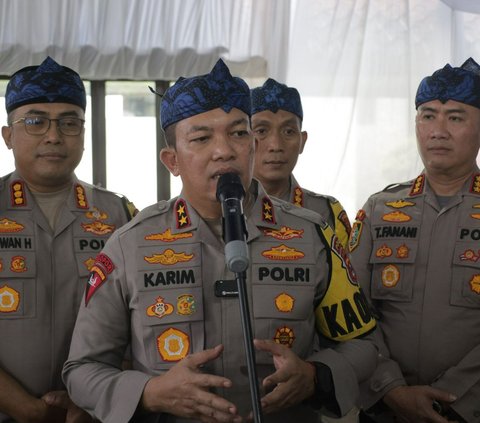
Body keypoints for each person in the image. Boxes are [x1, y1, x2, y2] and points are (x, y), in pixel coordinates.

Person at [63, 59, 378, 423]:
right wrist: (150, 393)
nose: (224, 150)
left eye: (239, 133)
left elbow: (364, 345)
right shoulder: (130, 244)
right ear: (172, 160)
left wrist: (315, 376)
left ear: (253, 148)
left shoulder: (312, 235)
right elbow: (83, 369)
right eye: (201, 138)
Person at [0, 56, 137, 422]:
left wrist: (96, 397)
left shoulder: (119, 216)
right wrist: (23, 407)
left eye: (69, 122)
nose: (53, 135)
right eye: (35, 121)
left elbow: (137, 323)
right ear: (8, 134)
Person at [350, 58, 480, 423]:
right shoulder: (379, 209)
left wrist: (454, 400)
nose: (438, 130)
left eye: (455, 117)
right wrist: (391, 390)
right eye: (427, 116)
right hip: (385, 407)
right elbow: (350, 312)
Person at [250, 79, 352, 249]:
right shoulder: (222, 210)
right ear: (243, 139)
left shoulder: (327, 213)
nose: (275, 145)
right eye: (261, 131)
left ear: (302, 141)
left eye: (288, 132)